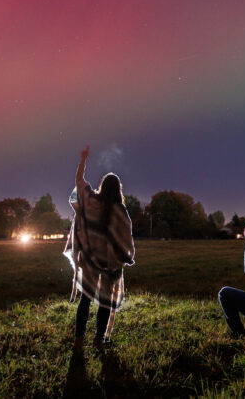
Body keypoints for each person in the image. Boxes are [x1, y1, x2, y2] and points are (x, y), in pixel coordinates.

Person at [63, 145, 135, 348]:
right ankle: (99, 340)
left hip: (89, 262)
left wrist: (83, 160)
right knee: (105, 301)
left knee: (85, 300)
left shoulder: (92, 202)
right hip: (110, 265)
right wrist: (125, 256)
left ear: (102, 186)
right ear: (118, 189)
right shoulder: (121, 211)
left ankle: (78, 340)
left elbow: (79, 182)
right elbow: (126, 239)